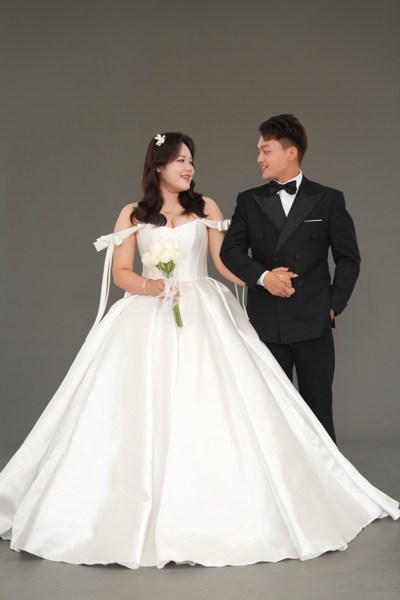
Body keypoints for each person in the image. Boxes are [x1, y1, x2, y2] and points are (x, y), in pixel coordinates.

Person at [0, 132, 398, 570]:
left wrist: (264, 278)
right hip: (147, 311)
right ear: (158, 166)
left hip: (202, 308)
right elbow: (122, 272)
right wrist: (152, 285)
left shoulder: (206, 207)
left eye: (191, 161)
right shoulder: (132, 213)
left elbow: (225, 262)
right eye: (180, 161)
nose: (189, 168)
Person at [220, 114, 360, 442]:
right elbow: (230, 252)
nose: (259, 158)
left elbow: (349, 258)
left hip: (314, 321)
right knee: (271, 417)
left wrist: (332, 305)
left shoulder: (329, 199)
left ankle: (324, 476)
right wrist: (263, 277)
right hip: (266, 322)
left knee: (318, 414)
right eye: (258, 151)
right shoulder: (249, 200)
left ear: (291, 152)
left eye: (266, 150)